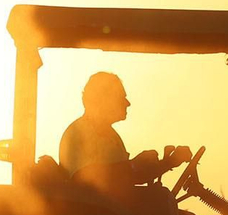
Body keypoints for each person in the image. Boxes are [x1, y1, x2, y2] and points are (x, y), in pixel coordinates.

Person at [60, 72, 189, 190]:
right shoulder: (78, 134)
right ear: (104, 100)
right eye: (121, 97)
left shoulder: (110, 135)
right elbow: (84, 180)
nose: (128, 103)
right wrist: (134, 164)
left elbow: (128, 178)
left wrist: (167, 163)